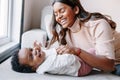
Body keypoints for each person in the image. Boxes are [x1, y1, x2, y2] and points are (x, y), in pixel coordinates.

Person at [46, 0, 120, 75]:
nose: (59, 17)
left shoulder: (97, 25)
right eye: (56, 14)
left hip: (117, 64)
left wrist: (77, 51)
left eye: (62, 11)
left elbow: (109, 65)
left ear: (76, 10)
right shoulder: (65, 34)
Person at [11, 41, 95, 76]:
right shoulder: (48, 65)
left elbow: (47, 52)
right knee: (93, 51)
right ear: (34, 67)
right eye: (31, 56)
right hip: (81, 67)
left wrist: (41, 47)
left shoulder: (40, 60)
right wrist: (68, 51)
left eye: (31, 49)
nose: (34, 51)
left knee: (89, 51)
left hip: (76, 61)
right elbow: (69, 60)